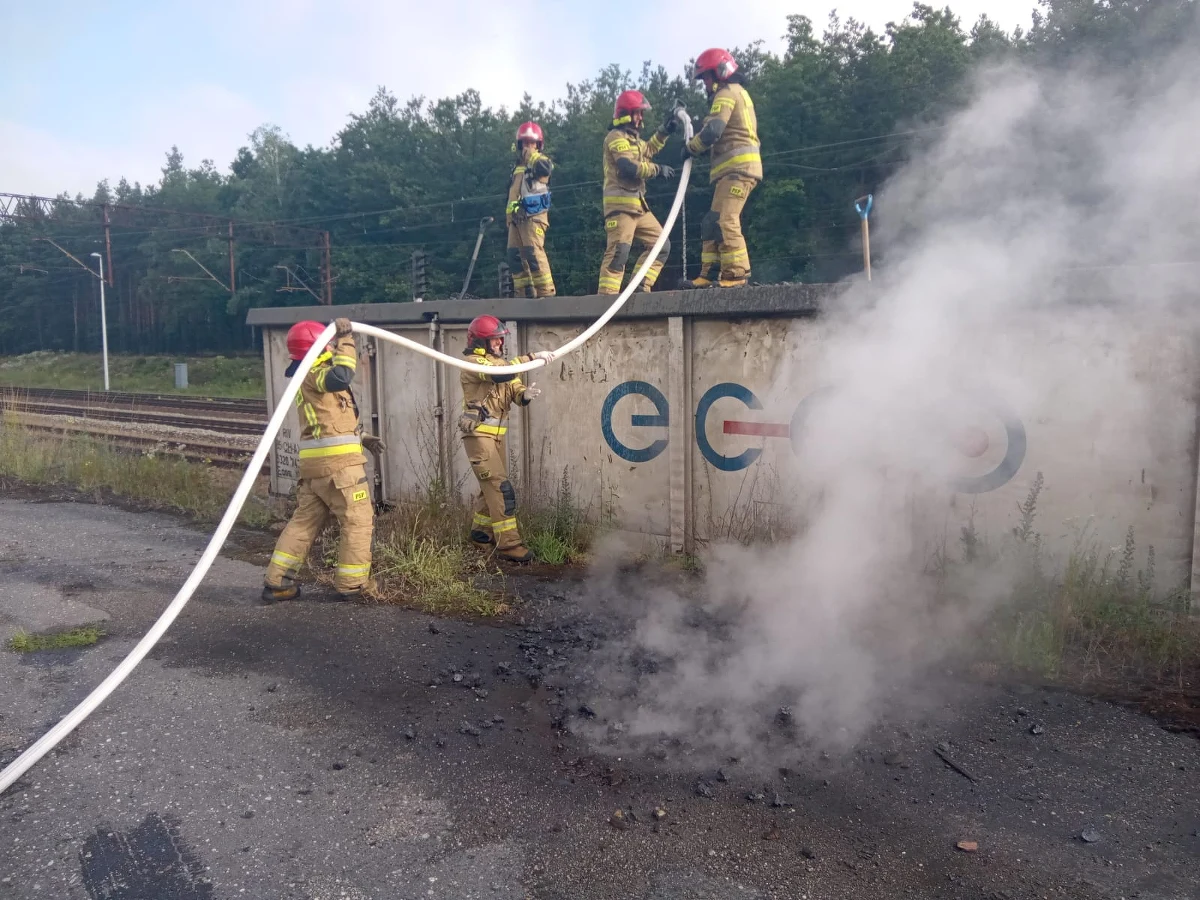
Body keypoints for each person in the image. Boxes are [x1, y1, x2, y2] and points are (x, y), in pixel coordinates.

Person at [261, 318, 385, 603]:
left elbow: (328, 421)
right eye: (327, 343)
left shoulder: (307, 376)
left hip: (318, 469)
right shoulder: (313, 372)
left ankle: (278, 581)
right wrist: (346, 339)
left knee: (304, 523)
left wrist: (361, 437)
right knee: (358, 520)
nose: (331, 346)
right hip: (339, 468)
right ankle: (353, 585)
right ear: (317, 348)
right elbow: (341, 376)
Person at [459, 315, 554, 562]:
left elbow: (514, 389)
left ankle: (481, 534)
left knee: (488, 488)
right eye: (495, 340)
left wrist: (526, 394)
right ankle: (509, 544)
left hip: (496, 438)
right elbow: (501, 375)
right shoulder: (474, 363)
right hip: (478, 436)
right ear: (481, 341)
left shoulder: (503, 364)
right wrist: (533, 357)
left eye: (501, 340)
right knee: (501, 489)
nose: (500, 344)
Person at [681, 48, 762, 288]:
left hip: (739, 169)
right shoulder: (736, 93)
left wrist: (690, 148)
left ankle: (736, 275)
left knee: (726, 220)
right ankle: (708, 275)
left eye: (706, 77)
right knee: (711, 221)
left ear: (720, 71)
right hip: (732, 172)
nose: (705, 83)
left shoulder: (726, 93)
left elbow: (713, 131)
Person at [596, 90, 678, 295]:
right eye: (637, 113)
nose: (641, 118)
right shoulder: (615, 137)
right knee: (619, 252)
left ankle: (640, 287)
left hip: (638, 207)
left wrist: (663, 132)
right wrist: (657, 170)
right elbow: (628, 166)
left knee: (661, 245)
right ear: (625, 114)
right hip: (620, 207)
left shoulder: (634, 141)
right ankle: (606, 300)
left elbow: (648, 150)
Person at [506, 121, 556, 298]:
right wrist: (509, 219)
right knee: (514, 257)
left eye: (531, 143)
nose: (528, 147)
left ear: (538, 145)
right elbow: (512, 196)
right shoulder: (517, 168)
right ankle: (525, 294)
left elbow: (546, 169)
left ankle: (546, 294)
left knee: (533, 254)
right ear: (519, 145)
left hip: (533, 217)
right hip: (516, 220)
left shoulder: (540, 162)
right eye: (525, 143)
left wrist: (532, 156)